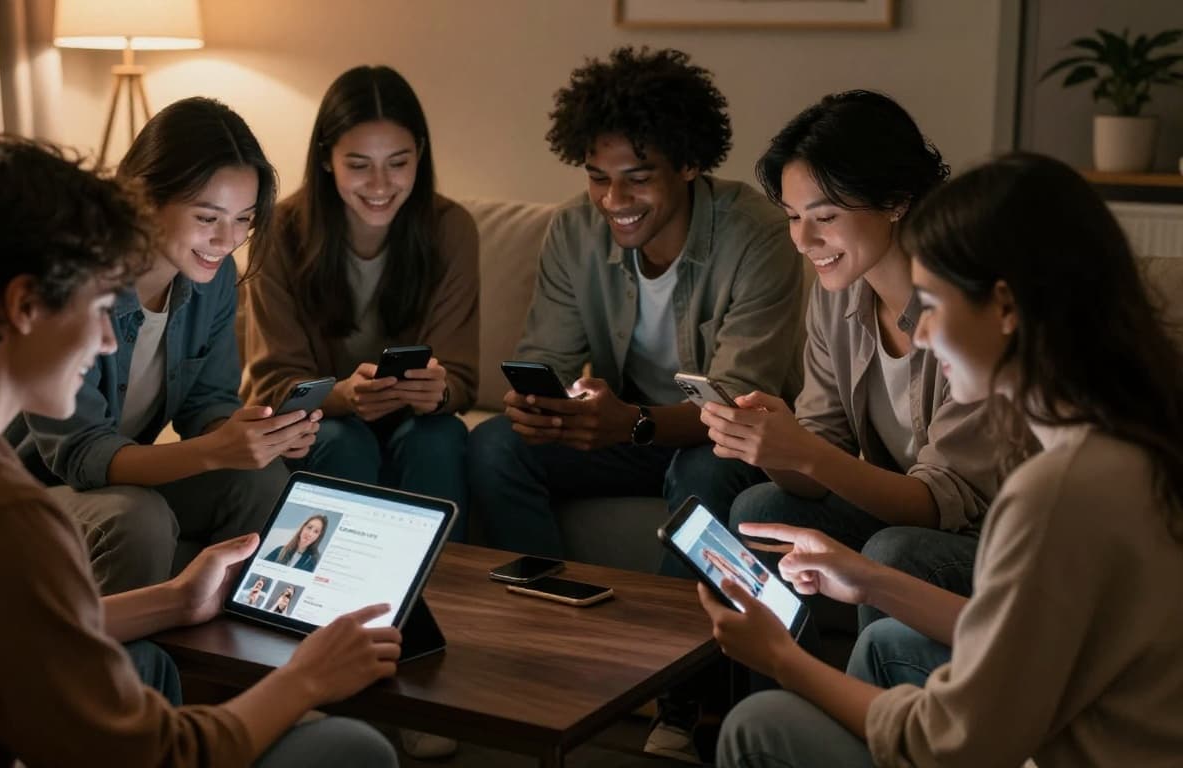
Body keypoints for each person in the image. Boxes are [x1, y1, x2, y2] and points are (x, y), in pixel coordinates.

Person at [0, 136, 400, 766]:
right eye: (103, 305)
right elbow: (160, 757)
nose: (109, 340)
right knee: (349, 746)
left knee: (147, 662)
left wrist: (173, 600)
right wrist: (306, 680)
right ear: (26, 305)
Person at [702, 152, 1183, 767]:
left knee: (761, 723)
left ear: (1006, 307)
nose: (920, 335)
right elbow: (1019, 636)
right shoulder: (1134, 437)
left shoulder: (1061, 490)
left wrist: (782, 660)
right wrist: (869, 579)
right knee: (886, 641)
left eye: (930, 303)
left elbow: (948, 745)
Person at [466, 47, 804, 760]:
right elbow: (549, 361)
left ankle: (675, 696)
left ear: (688, 164)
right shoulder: (572, 231)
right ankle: (545, 655)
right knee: (495, 446)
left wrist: (637, 420)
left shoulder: (757, 235)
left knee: (704, 476)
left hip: (717, 442)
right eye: (597, 178)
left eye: (637, 179)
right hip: (624, 430)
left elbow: (739, 408)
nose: (613, 201)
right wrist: (543, 407)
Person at [699, 91, 1002, 630]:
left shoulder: (967, 303)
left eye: (826, 216)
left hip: (989, 539)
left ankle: (864, 709)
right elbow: (819, 463)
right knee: (757, 511)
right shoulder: (835, 293)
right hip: (904, 518)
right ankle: (782, 694)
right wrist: (773, 444)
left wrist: (808, 454)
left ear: (895, 200)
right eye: (793, 217)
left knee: (892, 551)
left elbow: (940, 503)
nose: (804, 240)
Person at [7, 97, 320, 595]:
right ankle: (128, 660)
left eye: (243, 220)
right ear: (144, 198)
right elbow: (83, 455)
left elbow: (207, 405)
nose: (227, 239)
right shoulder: (73, 279)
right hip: (28, 492)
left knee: (262, 480)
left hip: (114, 481)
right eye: (207, 217)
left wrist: (250, 436)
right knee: (139, 516)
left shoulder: (213, 282)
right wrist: (213, 451)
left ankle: (234, 650)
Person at [241, 66, 477, 541]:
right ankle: (325, 597)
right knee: (341, 439)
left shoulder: (451, 228)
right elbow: (273, 386)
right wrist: (343, 397)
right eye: (358, 164)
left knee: (440, 438)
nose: (380, 183)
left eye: (398, 162)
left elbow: (461, 378)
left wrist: (440, 390)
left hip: (414, 422)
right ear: (327, 159)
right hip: (321, 423)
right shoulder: (280, 232)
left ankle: (443, 596)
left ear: (420, 156)